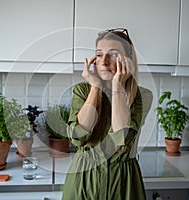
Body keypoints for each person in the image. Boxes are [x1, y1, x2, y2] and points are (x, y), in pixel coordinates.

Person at [62, 28, 153, 200]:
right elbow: (77, 136)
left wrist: (118, 85)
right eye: (99, 54)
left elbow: (122, 138)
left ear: (128, 61)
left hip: (123, 183)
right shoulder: (82, 90)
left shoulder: (142, 96)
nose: (103, 62)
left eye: (113, 54)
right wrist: (95, 87)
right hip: (83, 179)